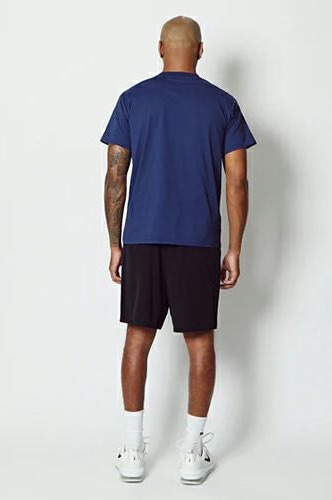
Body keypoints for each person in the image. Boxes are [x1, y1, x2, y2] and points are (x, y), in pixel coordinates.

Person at [100, 15, 256, 485]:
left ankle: (132, 450)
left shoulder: (133, 100)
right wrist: (235, 248)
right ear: (201, 51)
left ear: (160, 48)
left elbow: (115, 175)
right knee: (200, 341)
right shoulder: (223, 105)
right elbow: (238, 181)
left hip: (142, 237)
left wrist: (115, 243)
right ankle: (192, 452)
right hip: (198, 239)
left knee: (138, 336)